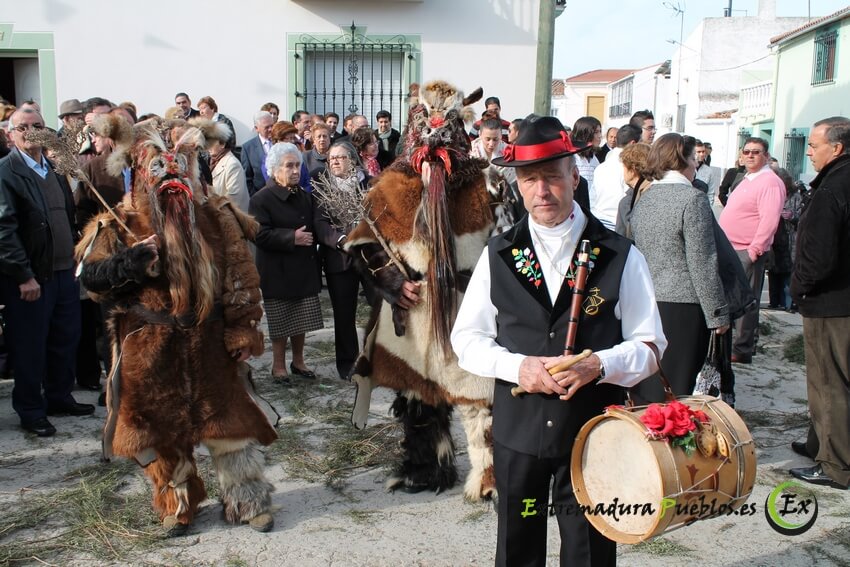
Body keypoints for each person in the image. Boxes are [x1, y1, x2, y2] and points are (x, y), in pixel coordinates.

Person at [451, 114, 666, 567]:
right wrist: (518, 367)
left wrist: (598, 365)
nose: (542, 190)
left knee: (589, 550)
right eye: (530, 180)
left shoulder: (618, 253)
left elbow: (651, 345)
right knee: (518, 546)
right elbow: (467, 339)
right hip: (518, 430)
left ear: (574, 174)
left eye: (552, 176)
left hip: (591, 434)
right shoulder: (499, 254)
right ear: (518, 186)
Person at [76, 116, 277, 534]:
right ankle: (177, 504)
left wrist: (243, 330)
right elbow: (91, 281)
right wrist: (129, 263)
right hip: (150, 347)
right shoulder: (119, 222)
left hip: (208, 343)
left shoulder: (216, 216)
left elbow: (240, 278)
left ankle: (246, 501)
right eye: (158, 166)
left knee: (229, 426)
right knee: (160, 432)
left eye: (180, 166)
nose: (171, 176)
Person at [345, 80, 496, 501]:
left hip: (467, 309)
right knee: (416, 394)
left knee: (476, 392)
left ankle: (487, 471)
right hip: (410, 314)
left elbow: (508, 247)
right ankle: (426, 465)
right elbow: (364, 246)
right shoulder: (389, 188)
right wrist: (392, 283)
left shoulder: (484, 186)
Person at [0, 108, 95, 438]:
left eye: (38, 125)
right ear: (10, 134)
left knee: (64, 338)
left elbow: (66, 218)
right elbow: (4, 229)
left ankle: (58, 396)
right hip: (31, 278)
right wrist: (23, 275)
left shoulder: (54, 171)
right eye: (23, 127)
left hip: (63, 273)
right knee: (30, 345)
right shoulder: (6, 172)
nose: (31, 131)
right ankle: (30, 408)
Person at [629, 133, 729, 401]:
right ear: (682, 160)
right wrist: (718, 314)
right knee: (680, 388)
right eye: (693, 157)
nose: (697, 163)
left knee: (652, 382)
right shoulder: (692, 199)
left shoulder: (645, 198)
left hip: (648, 301)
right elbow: (702, 261)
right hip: (684, 305)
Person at [789, 116, 850, 490]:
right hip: (839, 299)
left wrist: (800, 287)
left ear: (837, 148)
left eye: (814, 145)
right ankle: (820, 444)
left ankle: (835, 465)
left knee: (830, 386)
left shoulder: (833, 189)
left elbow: (819, 257)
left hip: (831, 302)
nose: (809, 151)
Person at [250, 142, 322, 385]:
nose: (295, 170)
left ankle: (298, 361)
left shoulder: (304, 196)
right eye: (289, 166)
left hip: (303, 267)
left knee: (302, 318)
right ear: (274, 169)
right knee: (280, 321)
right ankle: (278, 365)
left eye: (298, 165)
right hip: (278, 270)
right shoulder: (261, 199)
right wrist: (292, 237)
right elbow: (259, 235)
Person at [718, 137, 785, 364]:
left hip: (748, 249)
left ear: (765, 155)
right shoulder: (747, 178)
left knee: (746, 301)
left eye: (755, 152)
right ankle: (734, 344)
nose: (750, 155)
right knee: (733, 298)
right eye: (746, 151)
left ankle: (743, 348)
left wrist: (754, 250)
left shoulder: (769, 182)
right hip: (732, 247)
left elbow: (769, 220)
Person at [312, 142, 375, 379]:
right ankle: (348, 365)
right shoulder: (324, 188)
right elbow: (320, 223)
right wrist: (340, 240)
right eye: (331, 159)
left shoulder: (368, 184)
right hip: (340, 260)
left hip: (370, 258)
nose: (335, 162)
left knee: (379, 308)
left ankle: (377, 359)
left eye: (340, 157)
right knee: (344, 315)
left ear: (353, 160)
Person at [194, 118, 250, 213]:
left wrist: (210, 208)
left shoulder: (232, 164)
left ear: (223, 144)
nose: (207, 146)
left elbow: (233, 198)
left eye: (211, 142)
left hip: (229, 218)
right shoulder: (212, 161)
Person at [591, 124, 641, 230]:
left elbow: (592, 197)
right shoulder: (629, 168)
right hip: (617, 225)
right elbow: (629, 202)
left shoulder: (601, 166)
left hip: (597, 221)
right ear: (633, 143)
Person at [766, 168, 800, 311]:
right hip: (774, 238)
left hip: (790, 239)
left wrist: (791, 215)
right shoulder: (771, 194)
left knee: (788, 272)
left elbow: (801, 216)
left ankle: (788, 303)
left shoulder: (795, 196)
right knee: (774, 272)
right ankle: (774, 302)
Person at [614, 142, 652, 238]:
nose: (623, 171)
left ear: (632, 169)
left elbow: (622, 240)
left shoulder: (627, 202)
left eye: (624, 167)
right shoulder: (659, 191)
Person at [240, 110, 275, 196]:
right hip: (260, 195)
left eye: (272, 126)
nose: (270, 129)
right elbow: (247, 177)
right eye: (267, 127)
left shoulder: (280, 142)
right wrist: (255, 196)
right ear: (257, 128)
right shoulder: (248, 148)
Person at [571, 116, 602, 194]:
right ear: (585, 134)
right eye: (596, 132)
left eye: (600, 132)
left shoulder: (594, 159)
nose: (600, 136)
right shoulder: (572, 158)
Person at [694, 139, 721, 205]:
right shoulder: (685, 169)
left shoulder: (708, 171)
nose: (702, 154)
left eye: (703, 151)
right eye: (699, 152)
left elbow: (710, 193)